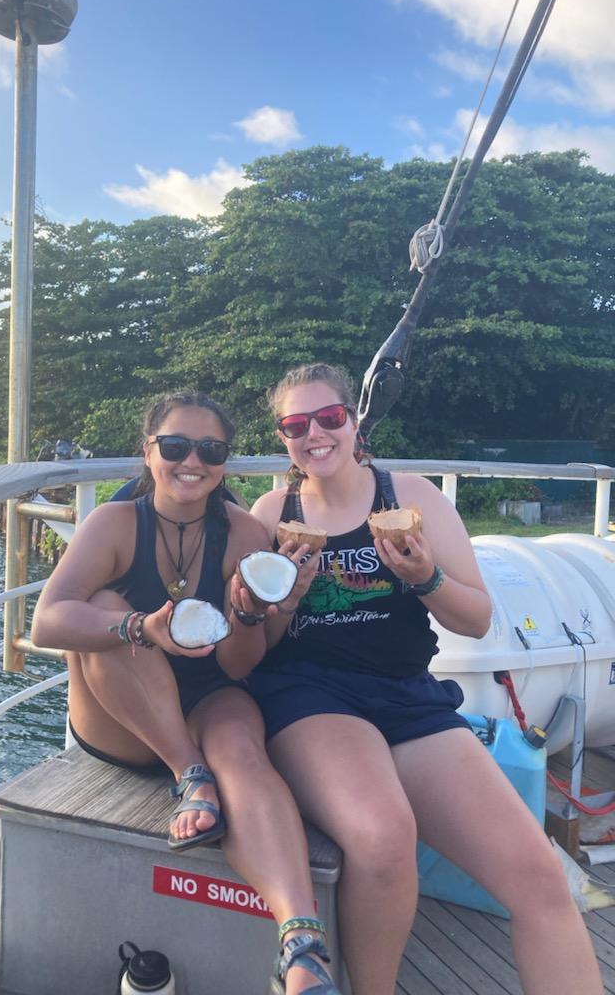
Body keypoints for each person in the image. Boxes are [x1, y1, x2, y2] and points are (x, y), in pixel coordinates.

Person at [244, 363, 604, 995]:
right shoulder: (275, 510)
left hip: (407, 694)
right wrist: (288, 600)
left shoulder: (411, 497)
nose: (315, 434)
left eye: (329, 417)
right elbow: (260, 646)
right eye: (296, 424)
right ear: (283, 436)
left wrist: (425, 579)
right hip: (310, 695)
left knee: (540, 879)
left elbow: (478, 617)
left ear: (355, 422)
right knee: (384, 837)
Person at [31, 390, 344, 995]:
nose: (191, 461)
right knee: (102, 607)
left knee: (245, 755)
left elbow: (239, 660)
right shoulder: (115, 524)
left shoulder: (245, 532)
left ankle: (302, 946)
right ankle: (188, 771)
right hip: (123, 716)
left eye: (211, 449)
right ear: (148, 452)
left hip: (206, 692)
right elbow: (47, 622)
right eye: (175, 446)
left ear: (225, 461)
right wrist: (139, 627)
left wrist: (262, 611)